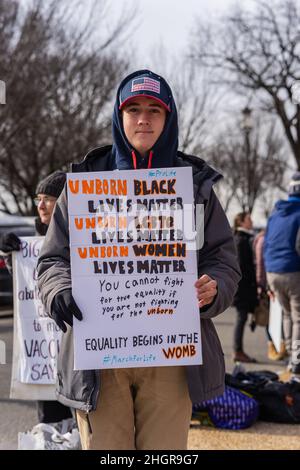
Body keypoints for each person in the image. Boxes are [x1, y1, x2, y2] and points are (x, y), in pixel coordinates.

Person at [37, 69, 241, 450]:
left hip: (171, 353)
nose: (143, 119)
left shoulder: (195, 186)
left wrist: (215, 287)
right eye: (133, 109)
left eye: (154, 110)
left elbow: (224, 259)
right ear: (119, 116)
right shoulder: (82, 183)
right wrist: (59, 290)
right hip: (99, 358)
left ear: (169, 118)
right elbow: (51, 261)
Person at [0, 171, 73, 424]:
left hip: (77, 350)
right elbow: (28, 285)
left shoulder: (86, 237)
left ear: (65, 200)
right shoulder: (32, 241)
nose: (40, 205)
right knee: (51, 427)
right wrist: (12, 256)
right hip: (46, 353)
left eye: (48, 198)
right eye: (38, 198)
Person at [264, 172, 300, 378]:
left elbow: (266, 244)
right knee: (298, 318)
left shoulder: (276, 213)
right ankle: (297, 362)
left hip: (273, 271)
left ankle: (290, 358)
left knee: (287, 315)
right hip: (293, 271)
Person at [253, 230, 287, 361]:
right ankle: (272, 346)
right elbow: (260, 266)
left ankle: (280, 346)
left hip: (270, 281)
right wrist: (261, 286)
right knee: (270, 317)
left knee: (279, 316)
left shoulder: (265, 240)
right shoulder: (263, 241)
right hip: (267, 284)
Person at [232, 212, 258, 363]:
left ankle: (238, 350)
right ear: (241, 222)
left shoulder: (241, 238)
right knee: (241, 318)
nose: (252, 221)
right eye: (249, 219)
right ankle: (238, 351)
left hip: (242, 287)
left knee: (241, 318)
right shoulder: (241, 240)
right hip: (242, 288)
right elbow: (242, 267)